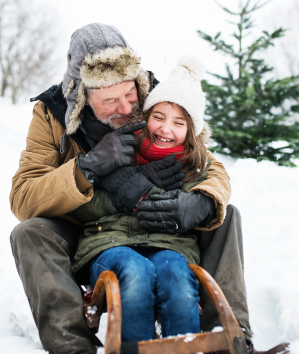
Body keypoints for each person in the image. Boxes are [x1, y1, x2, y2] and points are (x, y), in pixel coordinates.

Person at [9, 23, 254, 354]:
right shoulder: (52, 114)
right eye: (110, 100)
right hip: (90, 227)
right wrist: (87, 167)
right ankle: (72, 347)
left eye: (129, 95)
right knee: (29, 232)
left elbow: (209, 164)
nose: (125, 108)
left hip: (163, 228)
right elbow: (24, 196)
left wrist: (200, 203)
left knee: (225, 215)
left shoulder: (157, 96)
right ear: (82, 95)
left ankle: (230, 338)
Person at [71, 55, 212, 342]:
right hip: (110, 243)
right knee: (135, 272)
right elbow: (85, 207)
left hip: (170, 247)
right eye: (158, 117)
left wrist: (149, 191)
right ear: (145, 118)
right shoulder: (119, 150)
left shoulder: (195, 166)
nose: (165, 129)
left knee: (175, 275)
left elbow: (201, 202)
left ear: (191, 133)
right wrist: (123, 183)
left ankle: (184, 348)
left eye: (179, 123)